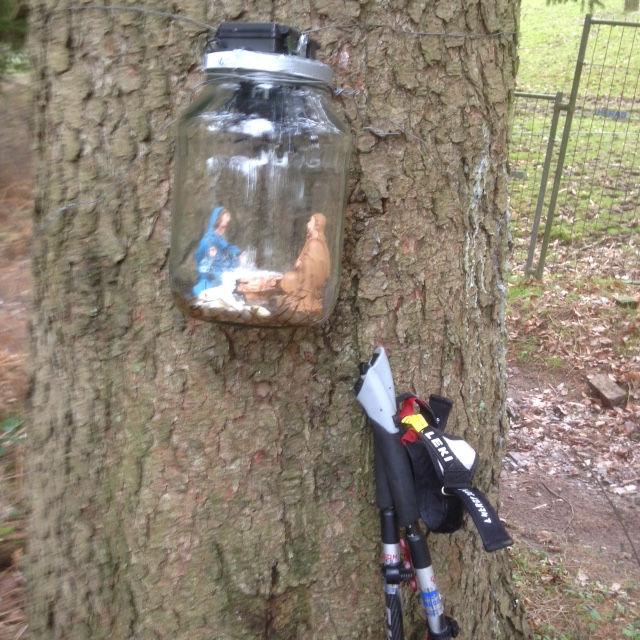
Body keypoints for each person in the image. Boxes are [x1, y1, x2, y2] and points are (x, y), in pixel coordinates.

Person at [279, 213, 331, 315]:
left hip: (310, 281)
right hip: (303, 275)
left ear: (317, 225)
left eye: (310, 222)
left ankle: (305, 302)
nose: (307, 225)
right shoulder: (311, 241)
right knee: (286, 277)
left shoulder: (315, 243)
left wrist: (301, 263)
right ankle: (294, 298)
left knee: (287, 279)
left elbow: (313, 265)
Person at [193, 207, 244, 296]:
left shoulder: (222, 242)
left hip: (224, 280)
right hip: (210, 282)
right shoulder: (207, 241)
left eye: (226, 226)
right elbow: (201, 265)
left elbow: (227, 256)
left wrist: (239, 257)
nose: (224, 229)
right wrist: (210, 257)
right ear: (217, 222)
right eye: (223, 226)